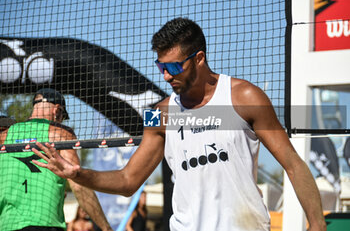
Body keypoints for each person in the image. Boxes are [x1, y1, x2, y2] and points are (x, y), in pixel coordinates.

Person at [32, 18, 327, 231]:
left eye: (173, 67)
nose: (166, 76)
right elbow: (127, 181)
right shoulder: (158, 115)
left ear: (199, 59)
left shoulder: (245, 96)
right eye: (161, 67)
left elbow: (293, 164)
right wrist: (80, 174)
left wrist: (316, 224)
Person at [0, 88, 112, 231]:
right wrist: (106, 227)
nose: (61, 120)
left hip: (7, 224)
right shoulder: (61, 134)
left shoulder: (4, 135)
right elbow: (78, 185)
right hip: (45, 223)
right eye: (62, 116)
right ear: (57, 110)